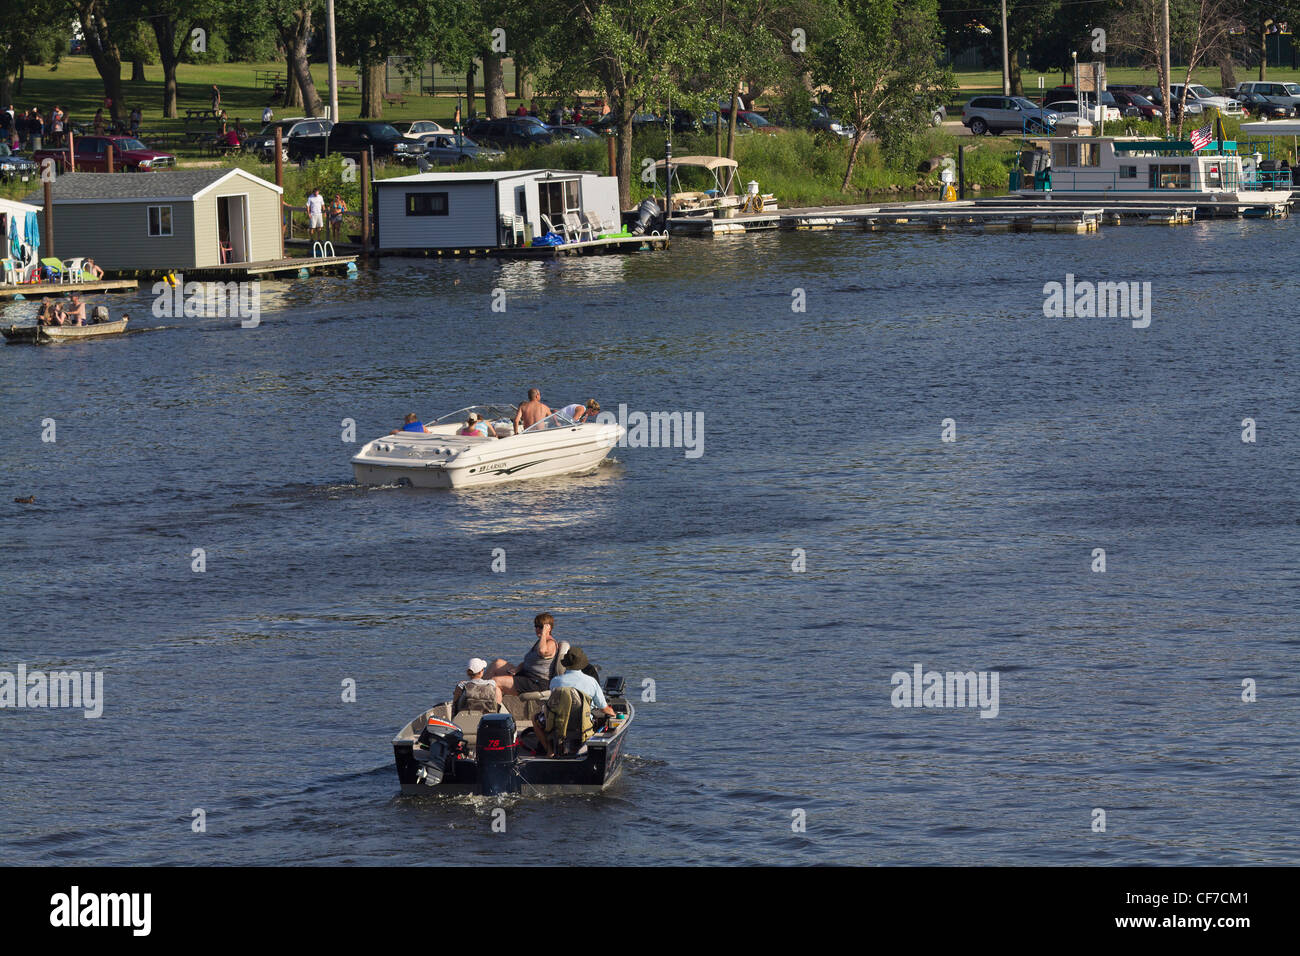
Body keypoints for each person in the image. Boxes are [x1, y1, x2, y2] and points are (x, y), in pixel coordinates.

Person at [532, 646, 614, 756]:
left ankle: (549, 750)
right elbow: (604, 708)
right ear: (582, 663)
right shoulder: (591, 682)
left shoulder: (555, 681)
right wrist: (614, 714)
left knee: (534, 718)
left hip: (558, 723)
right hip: (583, 724)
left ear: (566, 664)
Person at [486, 612, 558, 697]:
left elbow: (542, 651)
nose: (537, 629)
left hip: (536, 682)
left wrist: (543, 634)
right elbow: (530, 662)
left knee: (495, 681)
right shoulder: (540, 642)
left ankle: (494, 707)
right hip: (525, 674)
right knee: (497, 663)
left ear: (548, 628)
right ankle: (477, 688)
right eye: (536, 626)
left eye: (541, 627)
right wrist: (517, 669)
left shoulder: (551, 643)